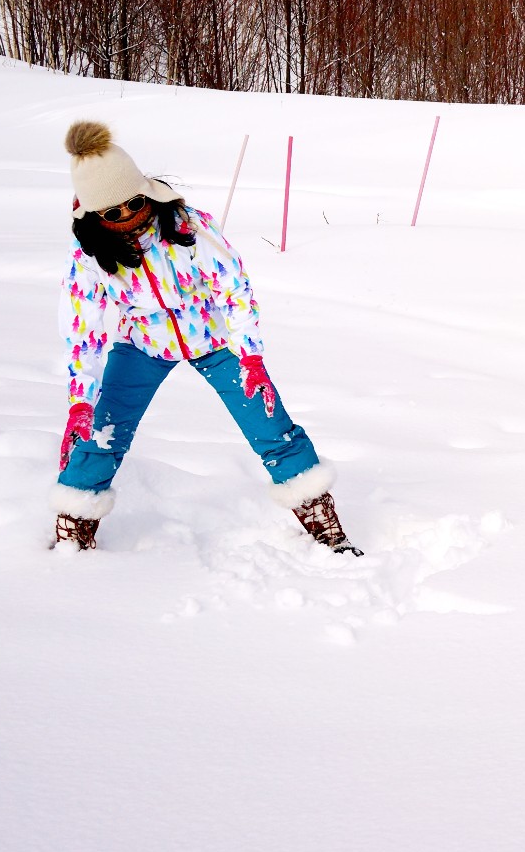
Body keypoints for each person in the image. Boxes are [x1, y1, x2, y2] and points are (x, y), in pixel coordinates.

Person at [48, 121, 358, 555]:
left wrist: (249, 356)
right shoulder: (89, 255)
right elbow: (82, 333)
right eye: (112, 212)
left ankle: (322, 522)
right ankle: (72, 531)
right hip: (143, 344)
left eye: (135, 202)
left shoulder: (188, 227)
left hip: (214, 340)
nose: (128, 216)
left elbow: (235, 289)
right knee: (99, 431)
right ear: (95, 215)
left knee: (269, 423)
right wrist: (80, 401)